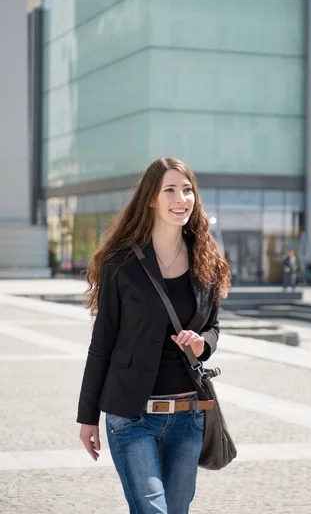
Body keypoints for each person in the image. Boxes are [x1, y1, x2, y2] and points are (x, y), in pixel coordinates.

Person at [77, 158, 231, 514]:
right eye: (170, 190)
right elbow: (102, 344)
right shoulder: (121, 263)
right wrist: (87, 417)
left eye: (188, 189)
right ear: (151, 199)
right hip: (132, 417)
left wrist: (202, 343)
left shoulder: (207, 259)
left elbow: (214, 328)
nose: (182, 199)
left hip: (188, 416)